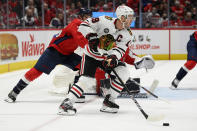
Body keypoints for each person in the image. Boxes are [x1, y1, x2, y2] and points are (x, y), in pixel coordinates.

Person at [58, 5, 155, 115]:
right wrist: (91, 36)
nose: (131, 20)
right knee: (87, 80)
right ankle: (66, 103)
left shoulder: (128, 34)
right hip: (92, 55)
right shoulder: (104, 20)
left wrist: (113, 57)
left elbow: (121, 49)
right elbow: (84, 25)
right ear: (122, 17)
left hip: (106, 57)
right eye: (129, 17)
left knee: (123, 72)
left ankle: (109, 101)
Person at [4, 8, 92, 103]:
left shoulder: (86, 27)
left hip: (67, 53)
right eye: (86, 17)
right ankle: (14, 92)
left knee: (84, 65)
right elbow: (81, 41)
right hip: (54, 52)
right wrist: (95, 49)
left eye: (90, 17)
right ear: (80, 17)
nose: (88, 19)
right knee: (36, 71)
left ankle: (74, 94)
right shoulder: (76, 23)